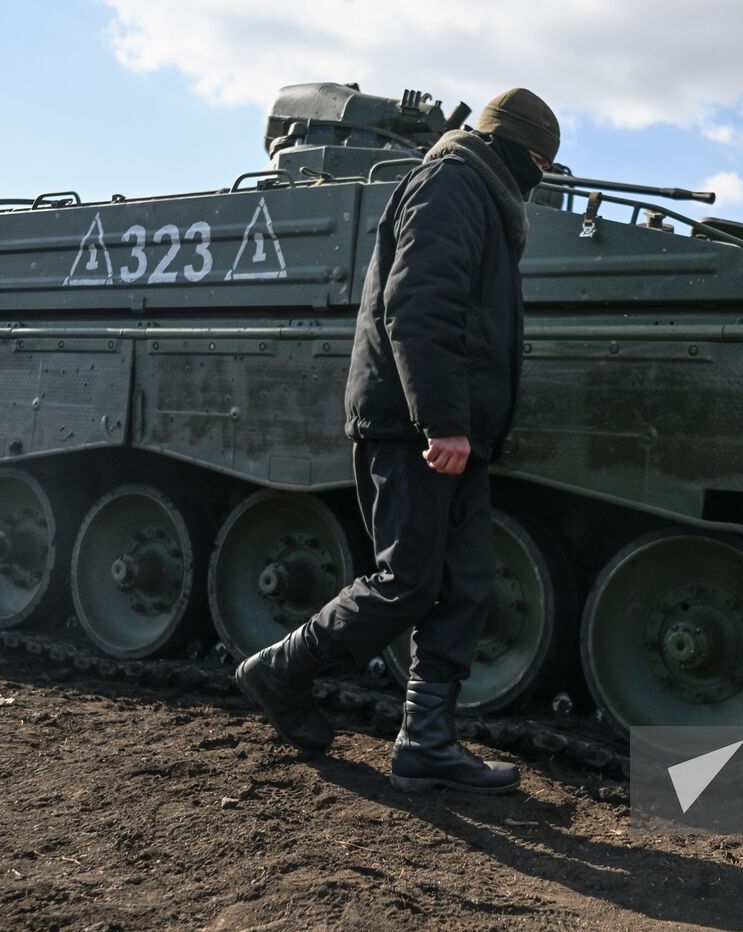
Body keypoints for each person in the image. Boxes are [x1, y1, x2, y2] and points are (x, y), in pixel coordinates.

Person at [235, 88, 560, 795]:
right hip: (414, 427)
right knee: (406, 582)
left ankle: (426, 744)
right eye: (536, 160)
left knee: (464, 585)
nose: (538, 174)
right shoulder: (452, 184)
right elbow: (419, 304)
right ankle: (280, 670)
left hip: (453, 431)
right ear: (512, 149)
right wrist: (440, 420)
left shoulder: (480, 190)